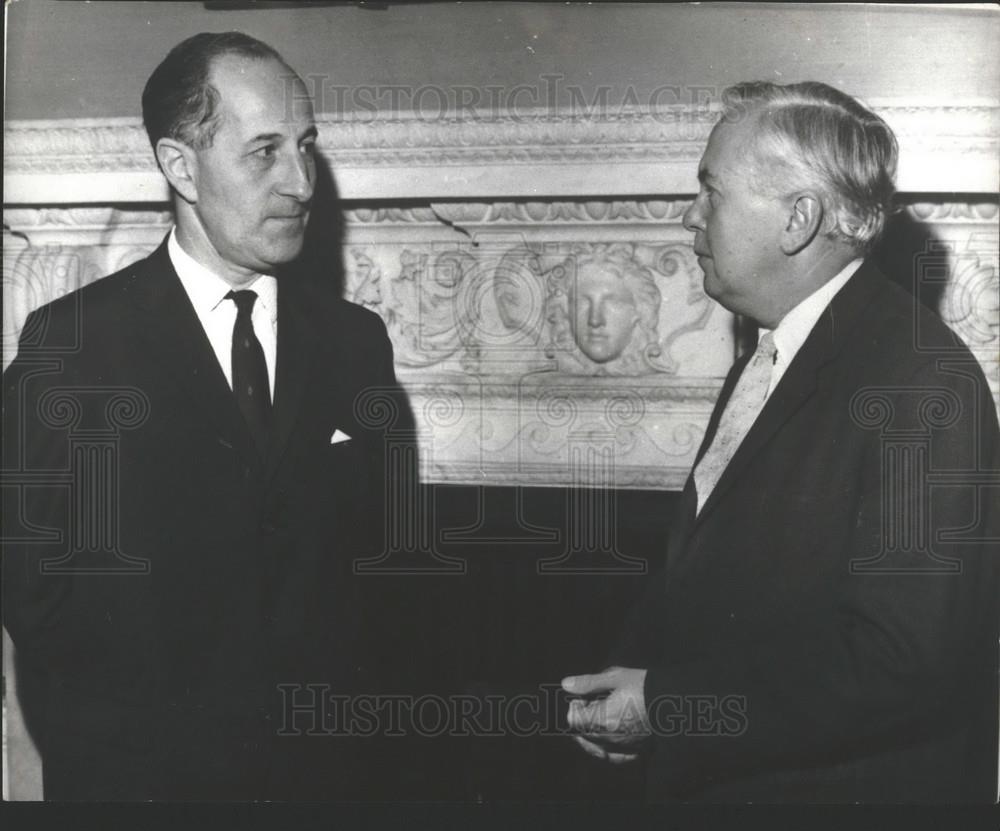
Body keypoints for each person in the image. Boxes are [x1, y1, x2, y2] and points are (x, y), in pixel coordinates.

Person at [561, 81, 1000, 803]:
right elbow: (710, 569)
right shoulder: (770, 353)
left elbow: (900, 664)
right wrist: (631, 686)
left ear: (798, 218)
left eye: (711, 192)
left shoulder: (924, 382)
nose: (688, 214)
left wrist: (669, 706)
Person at [2, 32, 403, 800]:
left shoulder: (356, 343)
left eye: (306, 145)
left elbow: (379, 572)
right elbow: (34, 592)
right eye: (264, 152)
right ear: (180, 165)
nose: (301, 182)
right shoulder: (75, 346)